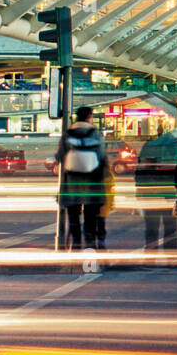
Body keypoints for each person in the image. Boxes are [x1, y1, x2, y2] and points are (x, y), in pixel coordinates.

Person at [54, 106, 109, 251]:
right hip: (92, 180)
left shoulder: (68, 134)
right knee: (91, 213)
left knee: (73, 213)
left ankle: (76, 242)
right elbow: (102, 156)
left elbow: (60, 156)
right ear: (89, 117)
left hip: (72, 180)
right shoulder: (95, 134)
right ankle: (90, 241)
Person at [135, 127, 177, 250]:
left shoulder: (149, 146)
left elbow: (140, 171)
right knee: (170, 226)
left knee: (151, 226)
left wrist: (139, 190)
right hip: (169, 192)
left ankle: (151, 253)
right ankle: (170, 253)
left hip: (150, 193)